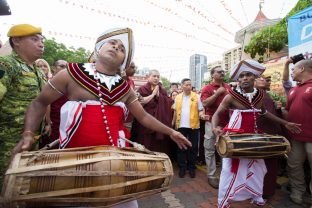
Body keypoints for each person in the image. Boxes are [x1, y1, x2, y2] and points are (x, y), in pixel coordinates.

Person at [11, 28, 191, 208]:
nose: (116, 47)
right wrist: (28, 134)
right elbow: (39, 103)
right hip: (73, 163)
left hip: (115, 165)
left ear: (123, 62)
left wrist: (171, 132)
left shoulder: (124, 89)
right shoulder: (72, 73)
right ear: (98, 49)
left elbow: (143, 116)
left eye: (122, 49)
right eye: (112, 43)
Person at [211, 59, 301, 208]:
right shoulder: (231, 96)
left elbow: (264, 113)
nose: (244, 78)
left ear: (254, 77)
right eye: (241, 76)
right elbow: (216, 114)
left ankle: (256, 196)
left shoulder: (259, 95)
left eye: (248, 75)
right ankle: (224, 200)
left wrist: (286, 123)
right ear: (238, 80)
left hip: (254, 135)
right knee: (231, 169)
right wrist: (215, 128)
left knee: (258, 168)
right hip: (235, 135)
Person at [0, 24, 45, 185]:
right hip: (7, 141)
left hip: (32, 139)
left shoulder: (38, 71)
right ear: (17, 41)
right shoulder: (6, 65)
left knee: (21, 186)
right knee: (5, 184)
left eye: (42, 40)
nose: (41, 44)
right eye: (34, 39)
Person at [285, 59, 312, 205]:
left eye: (294, 69)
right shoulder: (294, 89)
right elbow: (288, 110)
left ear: (302, 69)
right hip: (296, 137)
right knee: (293, 165)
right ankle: (297, 192)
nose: (292, 72)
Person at [200, 66, 231, 189]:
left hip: (227, 124)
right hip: (211, 124)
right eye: (219, 71)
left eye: (223, 71)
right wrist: (217, 93)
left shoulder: (228, 87)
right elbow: (205, 103)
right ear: (212, 75)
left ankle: (225, 175)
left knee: (226, 149)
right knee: (209, 150)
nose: (222, 73)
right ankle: (211, 175)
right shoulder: (207, 88)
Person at [131, 69, 173, 155]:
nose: (156, 78)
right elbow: (141, 102)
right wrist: (153, 94)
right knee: (145, 142)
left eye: (158, 77)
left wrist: (160, 97)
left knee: (158, 146)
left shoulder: (162, 90)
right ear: (148, 77)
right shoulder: (142, 89)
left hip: (158, 122)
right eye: (154, 76)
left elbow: (169, 102)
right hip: (145, 123)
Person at [255, 75, 283, 198]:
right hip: (260, 135)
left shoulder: (267, 95)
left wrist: (278, 108)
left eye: (264, 78)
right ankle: (262, 191)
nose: (262, 79)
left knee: (271, 164)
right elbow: (264, 114)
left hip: (272, 134)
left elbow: (272, 113)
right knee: (260, 164)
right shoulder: (253, 95)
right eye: (258, 78)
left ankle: (268, 189)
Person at [172, 78, 204, 178]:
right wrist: (172, 123)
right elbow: (175, 111)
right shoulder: (177, 97)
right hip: (181, 126)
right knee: (181, 147)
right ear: (182, 86)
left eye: (190, 85)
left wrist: (202, 115)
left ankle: (191, 168)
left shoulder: (196, 96)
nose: (189, 86)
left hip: (194, 126)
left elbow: (201, 109)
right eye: (186, 85)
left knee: (193, 147)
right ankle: (182, 168)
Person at [39, 60, 68, 148]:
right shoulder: (48, 83)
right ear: (54, 68)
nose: (65, 69)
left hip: (65, 122)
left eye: (67, 67)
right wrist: (48, 123)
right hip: (51, 122)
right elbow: (45, 103)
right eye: (62, 66)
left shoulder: (69, 84)